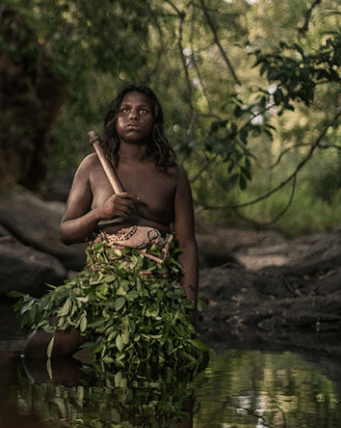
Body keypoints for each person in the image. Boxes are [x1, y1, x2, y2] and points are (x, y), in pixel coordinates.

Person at [18, 84, 205, 377]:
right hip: (100, 284)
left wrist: (188, 310)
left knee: (149, 370)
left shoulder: (172, 174)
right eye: (125, 110)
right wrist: (100, 213)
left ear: (154, 119)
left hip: (153, 289)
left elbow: (187, 245)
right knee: (39, 350)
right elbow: (67, 233)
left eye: (142, 111)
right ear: (114, 119)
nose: (133, 117)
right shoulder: (93, 166)